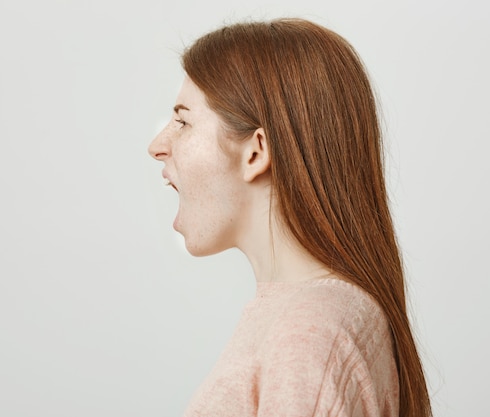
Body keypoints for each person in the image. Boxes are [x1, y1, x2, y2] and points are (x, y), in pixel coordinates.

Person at [148, 18, 431, 417]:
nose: (157, 146)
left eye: (183, 121)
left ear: (256, 153)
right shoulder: (312, 319)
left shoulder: (307, 336)